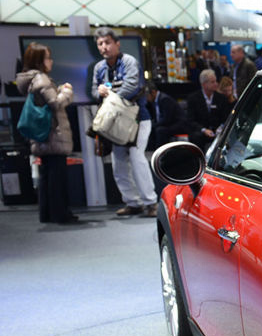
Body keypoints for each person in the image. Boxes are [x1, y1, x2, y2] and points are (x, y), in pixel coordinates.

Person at [92, 27, 157, 217]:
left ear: (117, 43)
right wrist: (100, 92)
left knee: (137, 158)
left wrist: (110, 97)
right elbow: (93, 91)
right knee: (118, 163)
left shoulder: (129, 62)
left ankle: (151, 202)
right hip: (115, 123)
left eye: (107, 42)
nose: (104, 47)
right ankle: (133, 202)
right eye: (100, 44)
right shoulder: (99, 68)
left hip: (137, 119)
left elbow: (132, 87)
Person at [16, 43, 77, 224]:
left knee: (46, 176)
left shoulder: (31, 80)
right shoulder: (42, 79)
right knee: (57, 178)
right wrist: (66, 91)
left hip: (43, 136)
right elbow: (56, 103)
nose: (51, 61)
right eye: (48, 58)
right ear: (39, 61)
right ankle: (60, 214)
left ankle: (47, 214)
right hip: (53, 135)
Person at [186, 69, 229, 151]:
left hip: (217, 130)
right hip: (201, 131)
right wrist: (204, 130)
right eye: (212, 82)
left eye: (216, 81)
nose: (216, 84)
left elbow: (225, 118)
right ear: (204, 84)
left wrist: (220, 128)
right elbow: (190, 120)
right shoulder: (193, 98)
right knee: (196, 137)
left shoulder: (221, 98)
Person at [144, 79, 186, 150]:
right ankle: (150, 150)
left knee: (160, 130)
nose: (146, 99)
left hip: (177, 124)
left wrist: (154, 125)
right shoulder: (154, 101)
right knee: (151, 129)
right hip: (168, 124)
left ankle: (159, 151)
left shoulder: (165, 99)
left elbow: (167, 119)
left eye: (147, 96)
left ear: (153, 92)